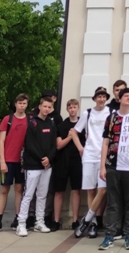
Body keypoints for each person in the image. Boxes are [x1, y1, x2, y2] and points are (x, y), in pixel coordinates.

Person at [98, 87, 129, 251]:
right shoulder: (111, 117)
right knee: (113, 203)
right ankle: (109, 235)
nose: (128, 98)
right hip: (113, 165)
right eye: (125, 95)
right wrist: (102, 166)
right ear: (119, 98)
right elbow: (105, 142)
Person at [17, 94, 59, 237]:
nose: (46, 109)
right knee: (28, 195)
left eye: (49, 107)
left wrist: (49, 159)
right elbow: (30, 144)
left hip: (47, 166)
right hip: (33, 165)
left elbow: (54, 145)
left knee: (42, 195)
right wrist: (42, 158)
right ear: (40, 107)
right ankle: (21, 223)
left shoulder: (52, 124)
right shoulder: (32, 123)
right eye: (44, 106)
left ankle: (39, 222)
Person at [74, 87, 111, 239]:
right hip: (89, 155)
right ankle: (93, 223)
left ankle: (87, 219)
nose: (101, 99)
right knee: (90, 190)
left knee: (102, 190)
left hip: (104, 156)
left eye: (104, 96)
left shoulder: (111, 113)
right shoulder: (87, 113)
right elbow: (74, 132)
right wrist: (80, 148)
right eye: (99, 97)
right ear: (95, 98)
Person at [0, 93, 28, 233]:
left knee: (19, 190)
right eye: (19, 103)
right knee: (4, 190)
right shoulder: (8, 119)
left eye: (24, 103)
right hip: (8, 160)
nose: (21, 106)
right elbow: (1, 141)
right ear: (15, 104)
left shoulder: (29, 120)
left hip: (21, 162)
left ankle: (18, 219)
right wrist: (2, 160)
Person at [52, 98, 82, 230]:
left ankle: (75, 220)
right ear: (67, 109)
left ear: (78, 108)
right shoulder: (61, 126)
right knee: (59, 191)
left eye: (75, 107)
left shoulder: (83, 125)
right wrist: (71, 136)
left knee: (76, 191)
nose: (72, 109)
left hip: (77, 162)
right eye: (70, 107)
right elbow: (59, 145)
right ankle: (56, 220)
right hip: (62, 162)